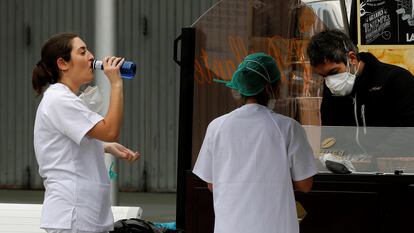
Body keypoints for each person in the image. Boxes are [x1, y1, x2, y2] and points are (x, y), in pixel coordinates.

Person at [193, 53, 317, 233]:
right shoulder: (289, 128)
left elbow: (212, 184)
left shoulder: (217, 126)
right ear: (269, 88)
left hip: (229, 226)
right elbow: (305, 185)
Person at [32, 33, 140, 233]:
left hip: (85, 214)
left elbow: (69, 145)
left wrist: (106, 147)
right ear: (63, 64)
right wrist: (116, 83)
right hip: (74, 214)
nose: (91, 56)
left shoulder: (65, 99)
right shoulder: (59, 100)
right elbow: (110, 130)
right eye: (82, 52)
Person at [306, 29, 414, 127]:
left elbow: (408, 131)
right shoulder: (331, 89)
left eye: (334, 72)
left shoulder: (397, 80)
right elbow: (331, 134)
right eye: (324, 76)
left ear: (352, 58)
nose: (330, 81)